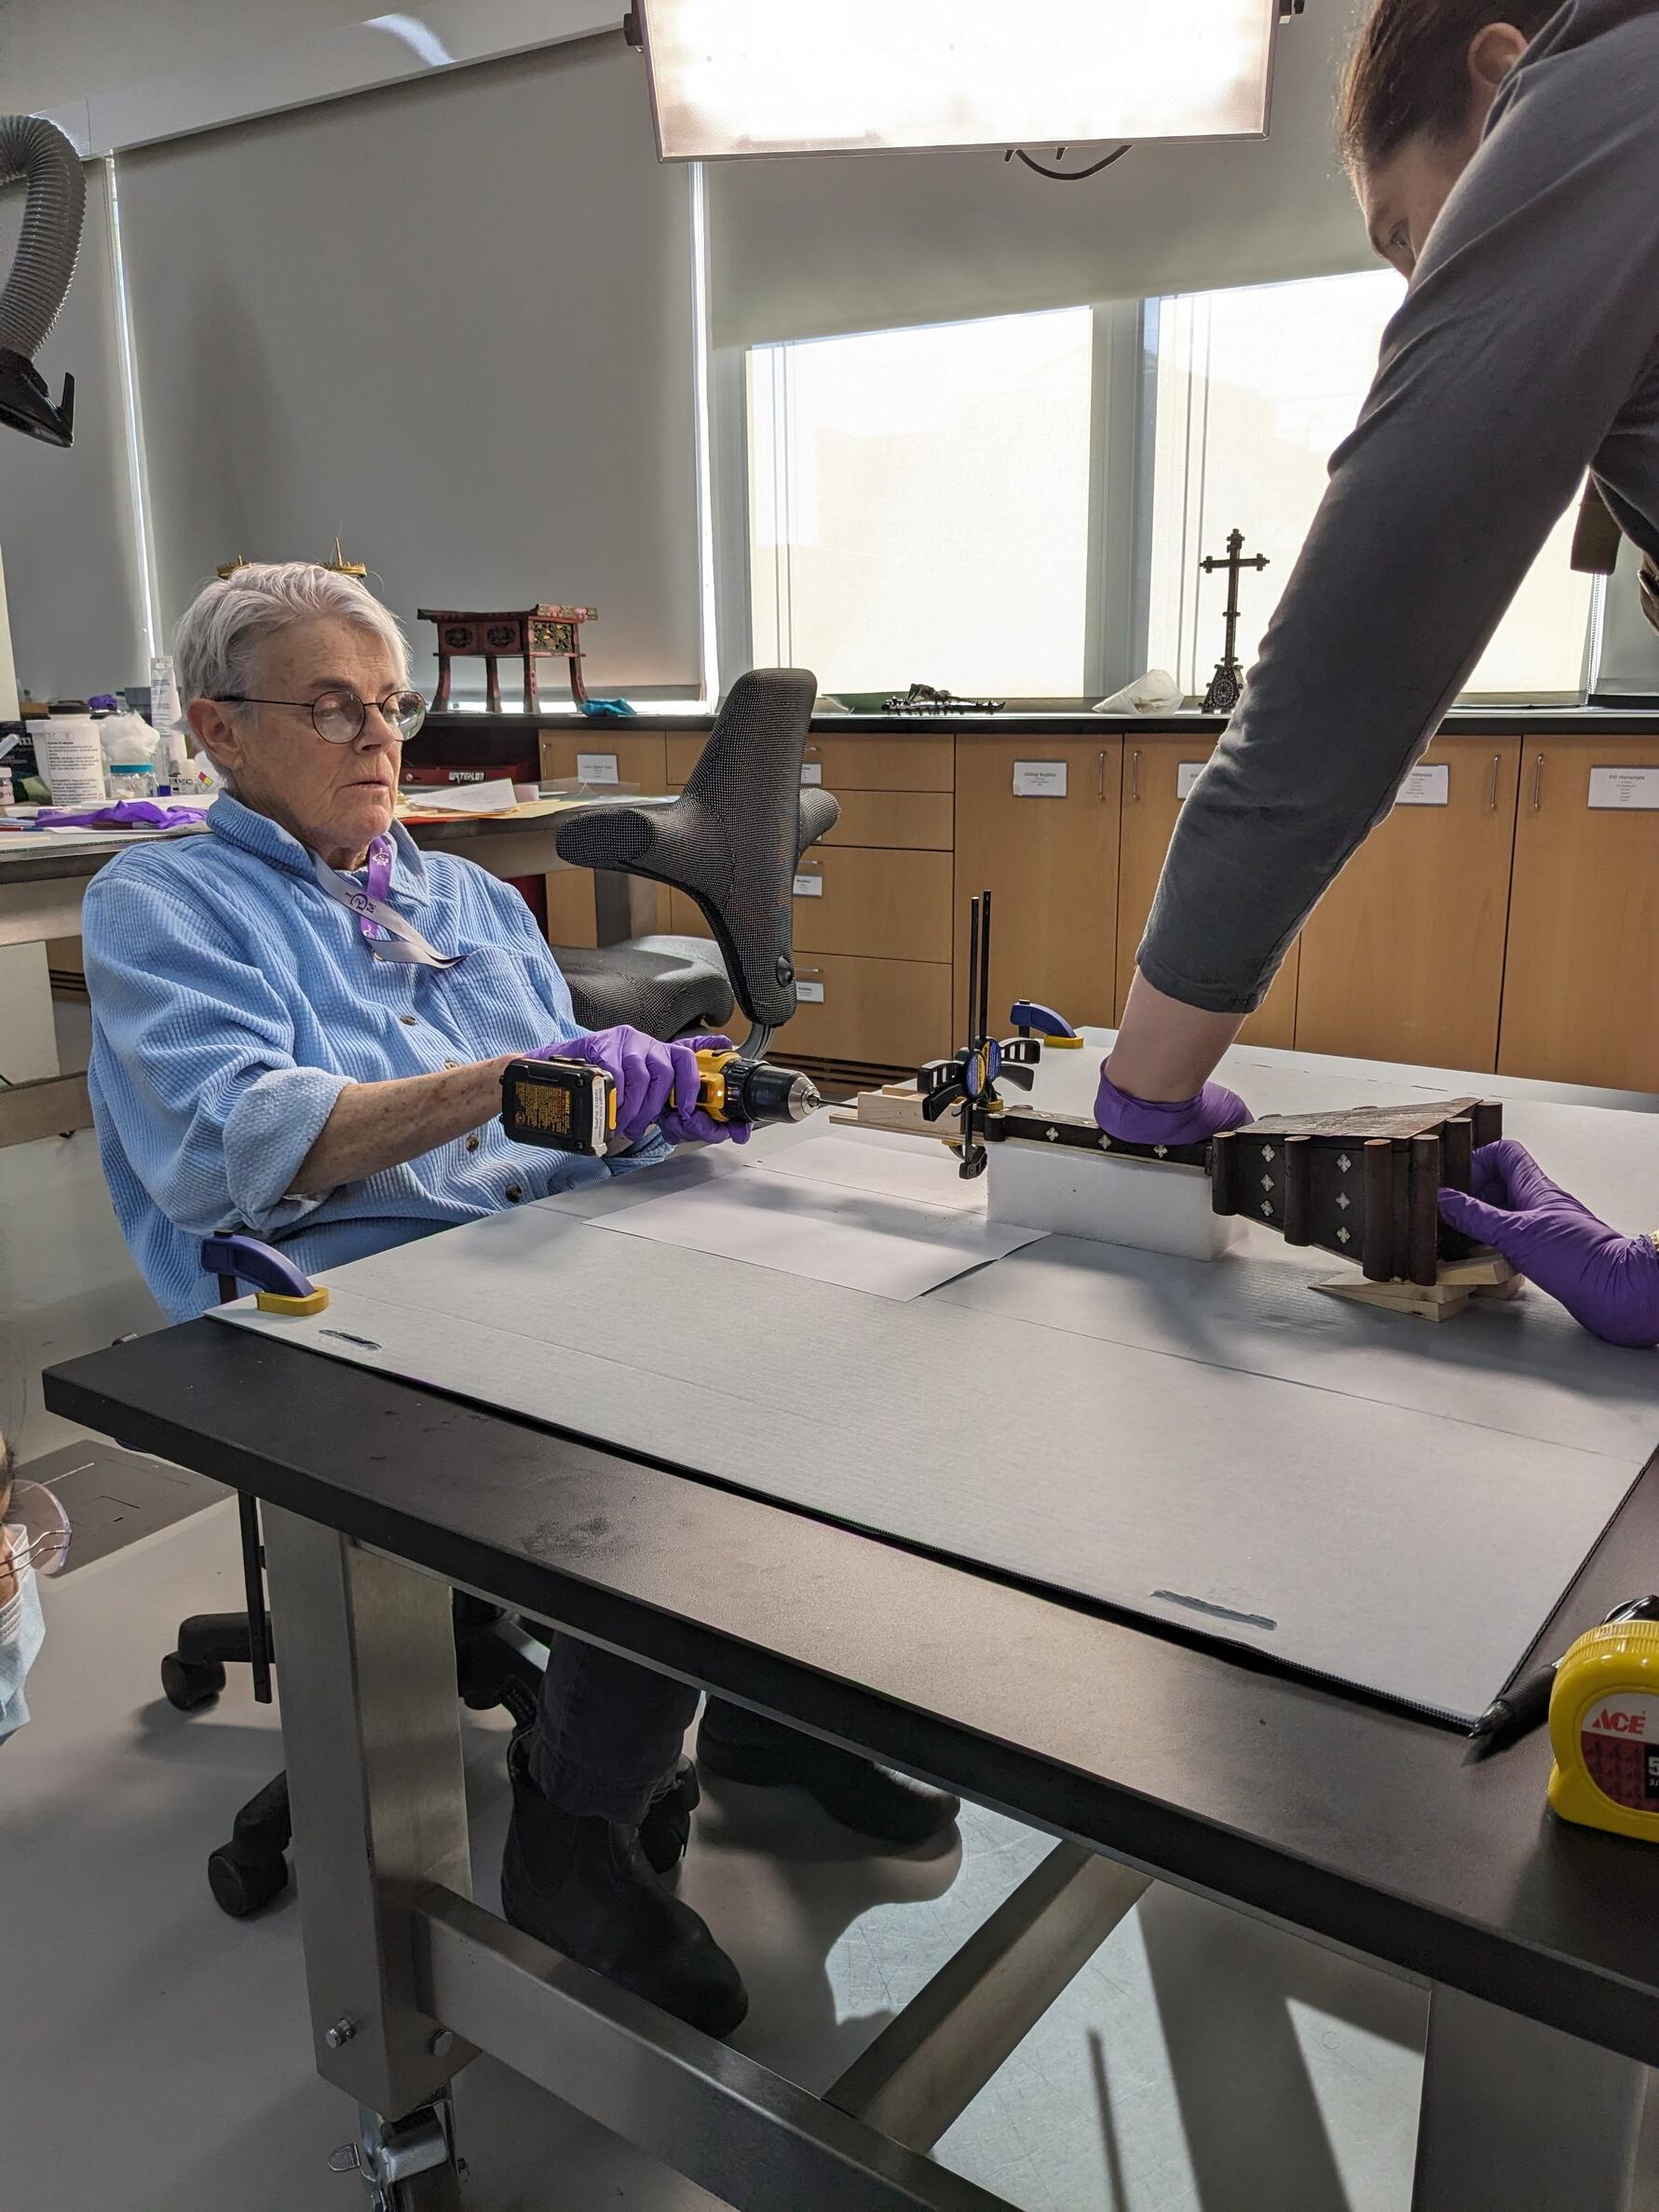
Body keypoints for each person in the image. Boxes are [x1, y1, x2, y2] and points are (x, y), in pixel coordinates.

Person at [82, 563, 955, 2037]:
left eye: (390, 708)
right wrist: (521, 1082)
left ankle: (755, 1714)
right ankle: (575, 1827)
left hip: (539, 1244)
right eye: (329, 709)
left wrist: (665, 1106)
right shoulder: (164, 902)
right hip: (337, 1289)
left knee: (841, 1327)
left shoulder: (466, 893)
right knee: (671, 1430)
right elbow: (238, 1145)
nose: (378, 740)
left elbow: (564, 1114)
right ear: (218, 733)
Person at [1095, 0, 1659, 1351]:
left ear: (1500, 70)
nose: (1423, 286)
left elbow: (1347, 662)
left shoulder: (1593, 102)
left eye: (1407, 235)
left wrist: (1142, 1092)